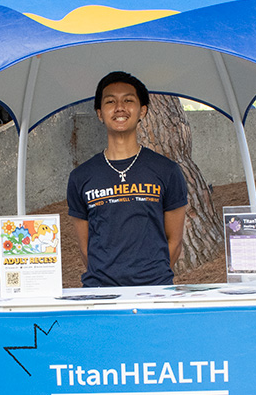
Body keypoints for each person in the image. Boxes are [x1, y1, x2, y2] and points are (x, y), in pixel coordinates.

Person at [66, 71, 188, 287]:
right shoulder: (80, 177)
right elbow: (85, 248)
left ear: (143, 110)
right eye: (110, 101)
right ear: (100, 113)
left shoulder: (167, 171)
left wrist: (149, 282)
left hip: (154, 294)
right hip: (101, 294)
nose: (119, 107)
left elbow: (175, 242)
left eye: (128, 100)